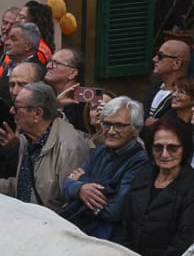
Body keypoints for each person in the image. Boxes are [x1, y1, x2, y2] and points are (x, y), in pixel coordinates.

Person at [0, 81, 84, 211]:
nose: (11, 111)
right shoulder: (28, 140)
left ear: (37, 114)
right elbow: (25, 185)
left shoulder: (70, 147)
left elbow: (70, 201)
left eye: (17, 107)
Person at [60, 97, 149, 243]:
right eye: (107, 124)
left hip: (111, 242)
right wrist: (81, 190)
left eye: (119, 125)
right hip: (82, 234)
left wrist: (81, 183)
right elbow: (65, 187)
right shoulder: (101, 150)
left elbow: (115, 210)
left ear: (136, 129)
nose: (111, 131)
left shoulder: (140, 161)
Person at [125, 120, 194, 256]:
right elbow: (125, 224)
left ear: (185, 149)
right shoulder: (142, 177)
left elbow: (184, 241)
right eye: (158, 147)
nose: (164, 154)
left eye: (173, 148)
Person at [147, 39, 192, 123]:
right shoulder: (153, 89)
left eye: (160, 56)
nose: (154, 59)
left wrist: (155, 124)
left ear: (177, 63)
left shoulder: (187, 96)